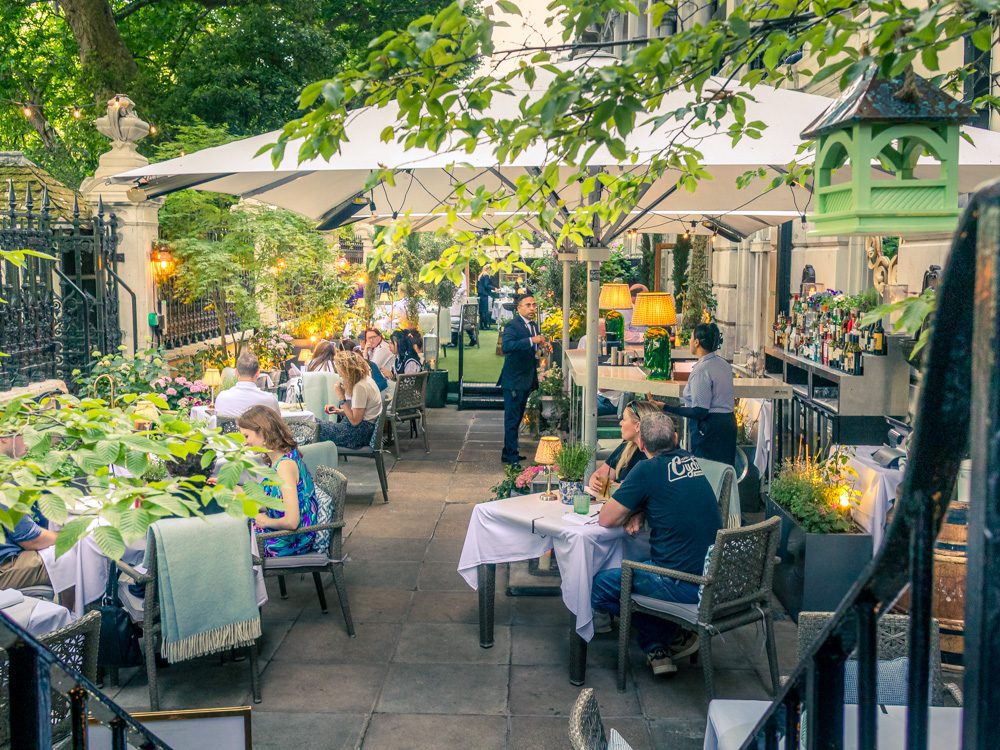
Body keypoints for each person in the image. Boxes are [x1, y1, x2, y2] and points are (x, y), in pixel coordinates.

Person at [591, 413, 722, 676]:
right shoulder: (689, 461)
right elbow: (671, 498)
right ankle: (660, 640)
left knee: (598, 587)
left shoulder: (647, 469)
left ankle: (666, 634)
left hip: (681, 583)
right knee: (637, 569)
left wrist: (632, 510)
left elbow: (606, 519)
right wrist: (640, 511)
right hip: (716, 577)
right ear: (675, 438)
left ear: (641, 445)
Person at [647, 322, 736, 465]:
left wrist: (666, 407)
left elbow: (700, 411)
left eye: (690, 338)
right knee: (725, 474)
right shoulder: (724, 364)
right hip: (728, 424)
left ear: (697, 342)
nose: (688, 341)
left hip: (709, 430)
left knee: (706, 473)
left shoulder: (702, 371)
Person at [237, 406, 318, 557]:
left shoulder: (284, 466)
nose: (244, 443)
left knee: (231, 540)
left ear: (263, 432)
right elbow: (268, 501)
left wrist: (265, 521)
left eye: (246, 436)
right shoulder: (279, 459)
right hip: (282, 534)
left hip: (289, 540)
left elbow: (292, 522)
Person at [498, 293, 549, 465]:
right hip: (514, 380)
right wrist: (531, 340)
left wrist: (542, 347)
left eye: (534, 305)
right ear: (519, 308)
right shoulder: (513, 326)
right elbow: (507, 347)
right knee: (512, 419)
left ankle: (509, 451)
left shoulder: (533, 326)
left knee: (518, 417)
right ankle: (511, 456)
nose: (532, 308)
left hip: (526, 379)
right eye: (528, 305)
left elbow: (533, 350)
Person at [588, 400, 661, 496]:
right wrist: (594, 479)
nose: (620, 423)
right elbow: (603, 473)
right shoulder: (628, 445)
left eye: (624, 419)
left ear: (637, 425)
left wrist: (622, 489)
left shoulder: (654, 454)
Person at [318, 351, 384, 448]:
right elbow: (360, 413)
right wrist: (338, 411)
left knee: (312, 427)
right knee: (313, 424)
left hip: (357, 433)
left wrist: (341, 397)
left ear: (347, 370)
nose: (340, 375)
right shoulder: (367, 379)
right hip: (361, 429)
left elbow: (355, 421)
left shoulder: (360, 387)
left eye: (340, 371)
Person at [215, 350, 281, 419]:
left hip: (230, 430)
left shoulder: (222, 397)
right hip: (258, 429)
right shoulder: (269, 400)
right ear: (258, 373)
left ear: (236, 372)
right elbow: (278, 425)